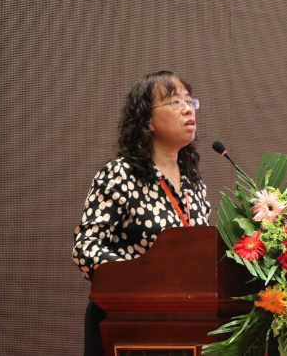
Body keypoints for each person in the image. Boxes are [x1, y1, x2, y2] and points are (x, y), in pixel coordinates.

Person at [72, 70, 211, 356]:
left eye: (190, 101)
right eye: (175, 101)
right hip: (127, 324)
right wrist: (144, 278)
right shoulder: (119, 175)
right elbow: (86, 249)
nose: (187, 108)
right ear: (147, 119)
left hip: (184, 324)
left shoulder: (193, 183)